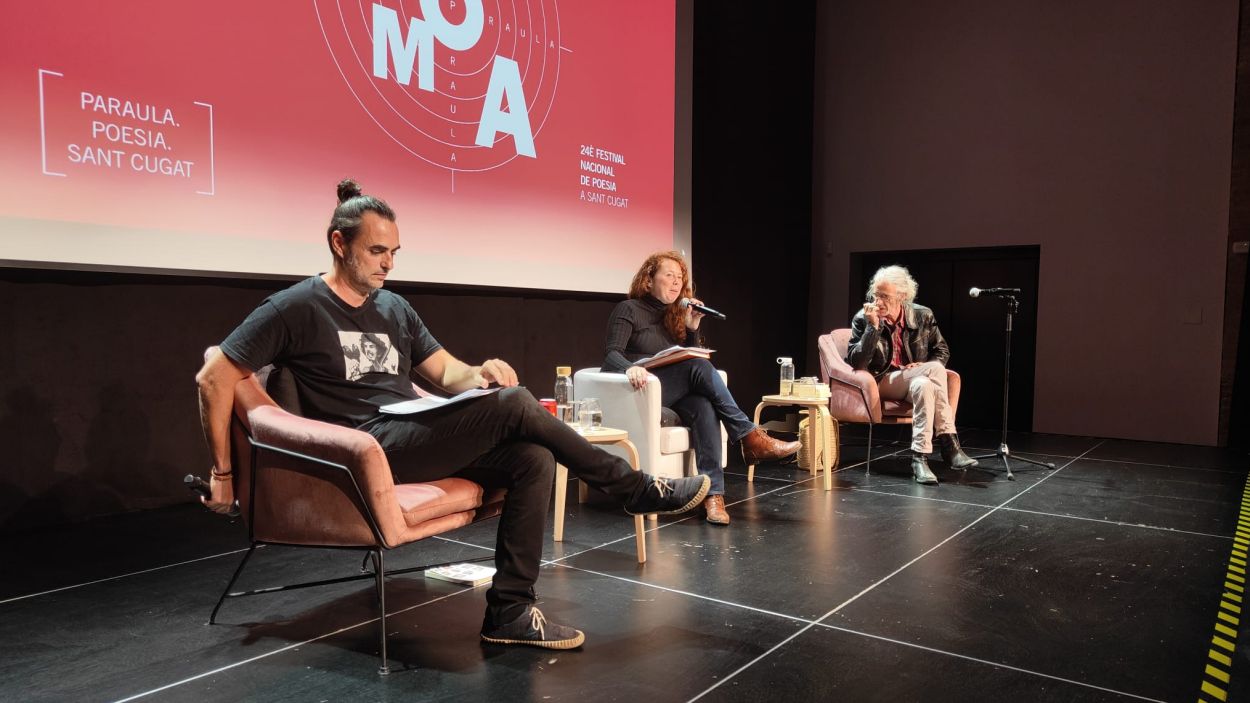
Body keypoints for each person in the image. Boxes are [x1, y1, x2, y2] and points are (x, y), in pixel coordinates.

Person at [195, 180, 710, 650]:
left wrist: (479, 372)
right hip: (363, 448)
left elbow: (446, 372)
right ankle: (633, 489)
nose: (388, 264)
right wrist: (223, 474)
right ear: (338, 243)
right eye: (377, 252)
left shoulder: (394, 308)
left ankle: (509, 611)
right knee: (515, 405)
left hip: (413, 430)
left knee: (531, 458)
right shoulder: (295, 307)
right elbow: (213, 378)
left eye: (393, 252)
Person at [601, 251, 800, 526]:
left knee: (704, 406)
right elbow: (611, 354)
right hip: (643, 391)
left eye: (680, 278)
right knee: (700, 367)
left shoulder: (673, 317)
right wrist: (629, 368)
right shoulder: (629, 309)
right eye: (668, 275)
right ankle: (748, 436)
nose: (675, 283)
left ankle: (713, 495)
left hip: (671, 391)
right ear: (648, 280)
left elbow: (681, 358)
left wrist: (692, 328)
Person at [845, 265, 977, 484]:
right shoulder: (863, 318)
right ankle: (949, 443)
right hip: (881, 381)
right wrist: (873, 328)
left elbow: (941, 349)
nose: (878, 302)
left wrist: (921, 366)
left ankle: (919, 459)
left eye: (885, 296)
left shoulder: (923, 315)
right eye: (876, 295)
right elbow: (857, 362)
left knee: (925, 384)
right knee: (934, 370)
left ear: (902, 296)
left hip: (913, 380)